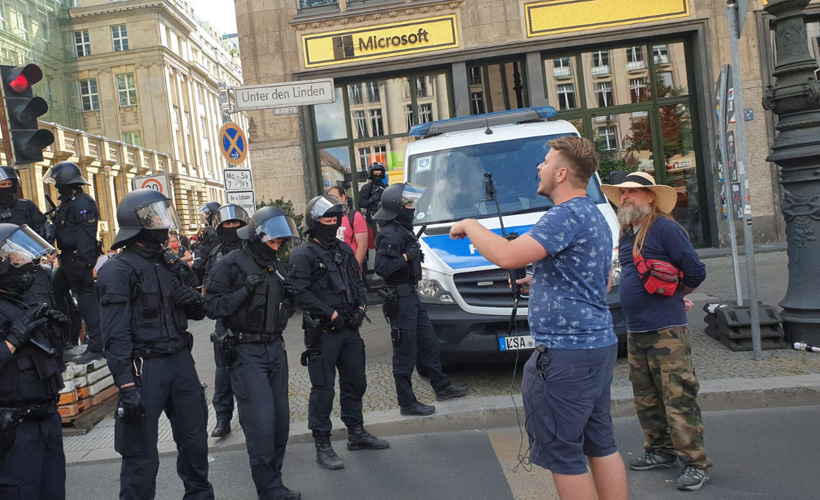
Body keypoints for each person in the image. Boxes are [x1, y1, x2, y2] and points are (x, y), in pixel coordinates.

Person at [449, 136, 627, 500]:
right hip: (597, 345)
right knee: (600, 443)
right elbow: (599, 278)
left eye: (545, 162)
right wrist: (542, 282)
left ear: (562, 173)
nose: (539, 167)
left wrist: (470, 224)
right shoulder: (594, 212)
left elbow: (509, 255)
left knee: (564, 454)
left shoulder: (565, 214)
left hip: (567, 355)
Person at [97, 189, 214, 500]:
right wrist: (125, 384)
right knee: (140, 454)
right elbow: (114, 334)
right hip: (143, 368)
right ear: (137, 224)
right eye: (155, 217)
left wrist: (193, 300)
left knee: (194, 441)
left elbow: (201, 311)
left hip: (180, 360)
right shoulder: (117, 270)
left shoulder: (171, 264)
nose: (163, 224)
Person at [601, 172, 710, 491]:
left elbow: (695, 271)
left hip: (666, 331)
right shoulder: (627, 232)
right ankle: (660, 450)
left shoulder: (664, 228)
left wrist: (678, 296)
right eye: (622, 192)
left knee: (678, 396)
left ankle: (695, 462)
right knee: (646, 398)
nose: (625, 197)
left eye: (633, 192)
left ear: (650, 196)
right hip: (637, 330)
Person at [204, 206, 301, 500]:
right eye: (273, 241)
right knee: (260, 424)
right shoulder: (230, 264)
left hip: (276, 349)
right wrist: (243, 292)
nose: (278, 246)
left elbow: (284, 307)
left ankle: (275, 481)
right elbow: (212, 307)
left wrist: (292, 300)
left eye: (281, 242)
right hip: (245, 353)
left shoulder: (278, 267)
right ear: (258, 236)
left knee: (280, 423)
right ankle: (268, 490)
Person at [289, 195, 389, 471]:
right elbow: (300, 293)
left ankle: (356, 433)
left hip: (350, 328)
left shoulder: (344, 250)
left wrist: (361, 306)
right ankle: (322, 444)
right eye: (327, 220)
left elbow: (357, 281)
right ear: (314, 222)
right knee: (323, 390)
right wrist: (329, 313)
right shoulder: (302, 255)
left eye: (335, 220)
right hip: (324, 332)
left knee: (356, 382)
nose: (332, 225)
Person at [373, 183, 469, 416]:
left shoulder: (401, 230)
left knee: (430, 344)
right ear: (396, 207)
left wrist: (413, 257)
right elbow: (382, 268)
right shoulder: (389, 234)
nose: (412, 208)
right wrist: (408, 256)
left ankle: (442, 388)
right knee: (405, 354)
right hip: (400, 300)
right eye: (408, 204)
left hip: (412, 297)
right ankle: (407, 403)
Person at [0, 223, 69, 499]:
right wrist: (12, 340)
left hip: (47, 421)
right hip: (15, 429)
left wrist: (57, 335)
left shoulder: (24, 304)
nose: (26, 264)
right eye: (15, 258)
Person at [44, 161, 103, 364]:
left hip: (78, 259)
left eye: (57, 181)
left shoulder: (82, 202)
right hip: (68, 258)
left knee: (87, 301)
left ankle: (97, 346)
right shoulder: (69, 202)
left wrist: (85, 262)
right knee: (55, 290)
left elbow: (86, 235)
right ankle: (68, 332)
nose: (55, 185)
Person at [202, 204, 251, 439]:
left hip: (252, 319)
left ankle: (252, 416)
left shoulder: (252, 249)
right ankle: (222, 418)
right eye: (227, 224)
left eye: (236, 224)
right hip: (225, 321)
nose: (232, 227)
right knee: (223, 373)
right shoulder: (215, 253)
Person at [0, 166, 52, 242]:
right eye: (3, 184)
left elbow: (43, 231)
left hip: (28, 251)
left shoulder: (27, 206)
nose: (7, 187)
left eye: (9, 184)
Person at [327, 186, 368, 269]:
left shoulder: (354, 216)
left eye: (335, 198)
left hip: (350, 266)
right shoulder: (327, 217)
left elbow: (363, 246)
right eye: (330, 199)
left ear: (343, 197)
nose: (333, 202)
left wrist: (355, 268)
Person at [192, 201, 221, 282]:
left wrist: (199, 247)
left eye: (207, 214)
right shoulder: (213, 228)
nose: (206, 217)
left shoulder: (213, 230)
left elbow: (210, 249)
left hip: (210, 264)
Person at [358, 162, 387, 230]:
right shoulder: (367, 188)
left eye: (379, 173)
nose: (378, 175)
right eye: (376, 173)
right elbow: (360, 203)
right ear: (371, 174)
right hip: (374, 218)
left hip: (386, 217)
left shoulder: (386, 187)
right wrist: (372, 199)